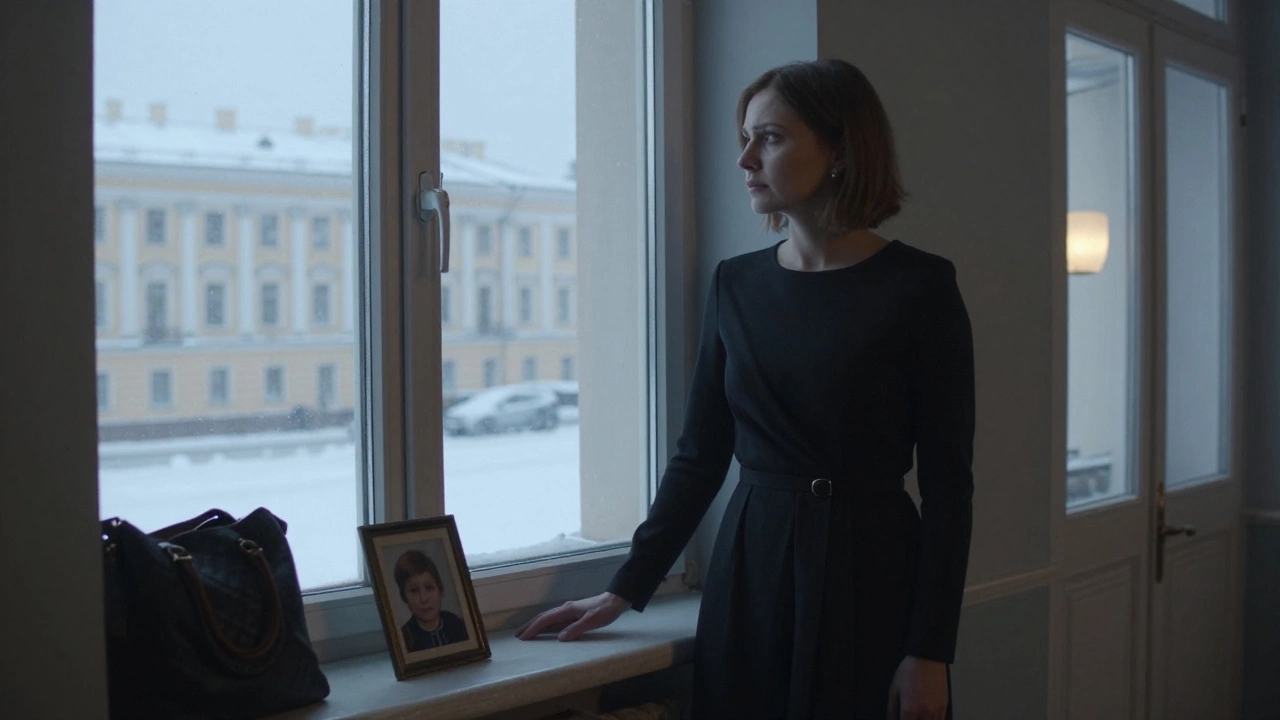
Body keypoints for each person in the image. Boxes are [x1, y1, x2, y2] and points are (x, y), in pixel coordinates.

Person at [516, 58, 974, 720]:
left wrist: (930, 651)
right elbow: (700, 455)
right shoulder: (736, 284)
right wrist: (625, 588)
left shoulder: (920, 287)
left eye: (772, 138)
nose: (745, 158)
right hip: (752, 574)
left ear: (841, 150)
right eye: (746, 137)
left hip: (872, 573)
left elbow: (949, 489)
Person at [393, 549, 469, 652]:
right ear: (404, 597)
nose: (424, 599)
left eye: (429, 588)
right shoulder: (405, 638)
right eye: (414, 591)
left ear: (440, 591)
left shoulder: (457, 624)